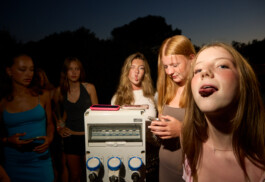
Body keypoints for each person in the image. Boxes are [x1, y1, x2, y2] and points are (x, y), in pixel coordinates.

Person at [182, 43, 265, 182]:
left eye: (222, 66)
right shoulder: (191, 151)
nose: (204, 72)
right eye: (197, 70)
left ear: (243, 81)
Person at [0, 54, 54, 181]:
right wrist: (8, 140)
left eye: (31, 69)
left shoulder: (43, 95)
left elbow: (50, 124)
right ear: (9, 71)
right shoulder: (2, 103)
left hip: (41, 161)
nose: (29, 74)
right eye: (22, 70)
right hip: (14, 163)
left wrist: (49, 139)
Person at [148, 35, 195, 182]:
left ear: (191, 59)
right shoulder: (166, 90)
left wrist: (182, 130)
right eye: (166, 66)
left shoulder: (201, 90)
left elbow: (220, 138)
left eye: (174, 65)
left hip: (190, 171)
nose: (169, 72)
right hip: (165, 168)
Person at [54, 57, 98, 182]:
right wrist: (59, 128)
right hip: (70, 138)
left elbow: (96, 114)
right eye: (70, 69)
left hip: (88, 137)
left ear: (81, 71)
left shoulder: (89, 88)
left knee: (91, 174)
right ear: (65, 72)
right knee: (74, 175)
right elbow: (59, 114)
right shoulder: (59, 91)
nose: (74, 72)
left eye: (77, 69)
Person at [111, 52, 157, 118]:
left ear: (144, 72)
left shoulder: (154, 95)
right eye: (132, 67)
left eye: (141, 68)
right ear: (127, 71)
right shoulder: (117, 98)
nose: (136, 72)